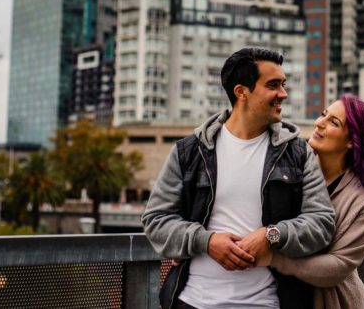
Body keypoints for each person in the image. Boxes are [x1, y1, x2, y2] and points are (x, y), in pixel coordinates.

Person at [141, 47, 335, 309]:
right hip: (193, 302)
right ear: (241, 92)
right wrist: (207, 242)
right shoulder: (189, 152)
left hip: (268, 303)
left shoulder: (298, 154)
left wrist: (272, 235)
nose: (283, 94)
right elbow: (156, 221)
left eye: (283, 84)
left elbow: (322, 223)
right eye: (273, 85)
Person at [260, 95, 364, 309]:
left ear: (352, 141)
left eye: (334, 122)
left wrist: (274, 258)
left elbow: (339, 266)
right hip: (275, 295)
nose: (319, 123)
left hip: (334, 302)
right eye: (324, 115)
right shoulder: (292, 168)